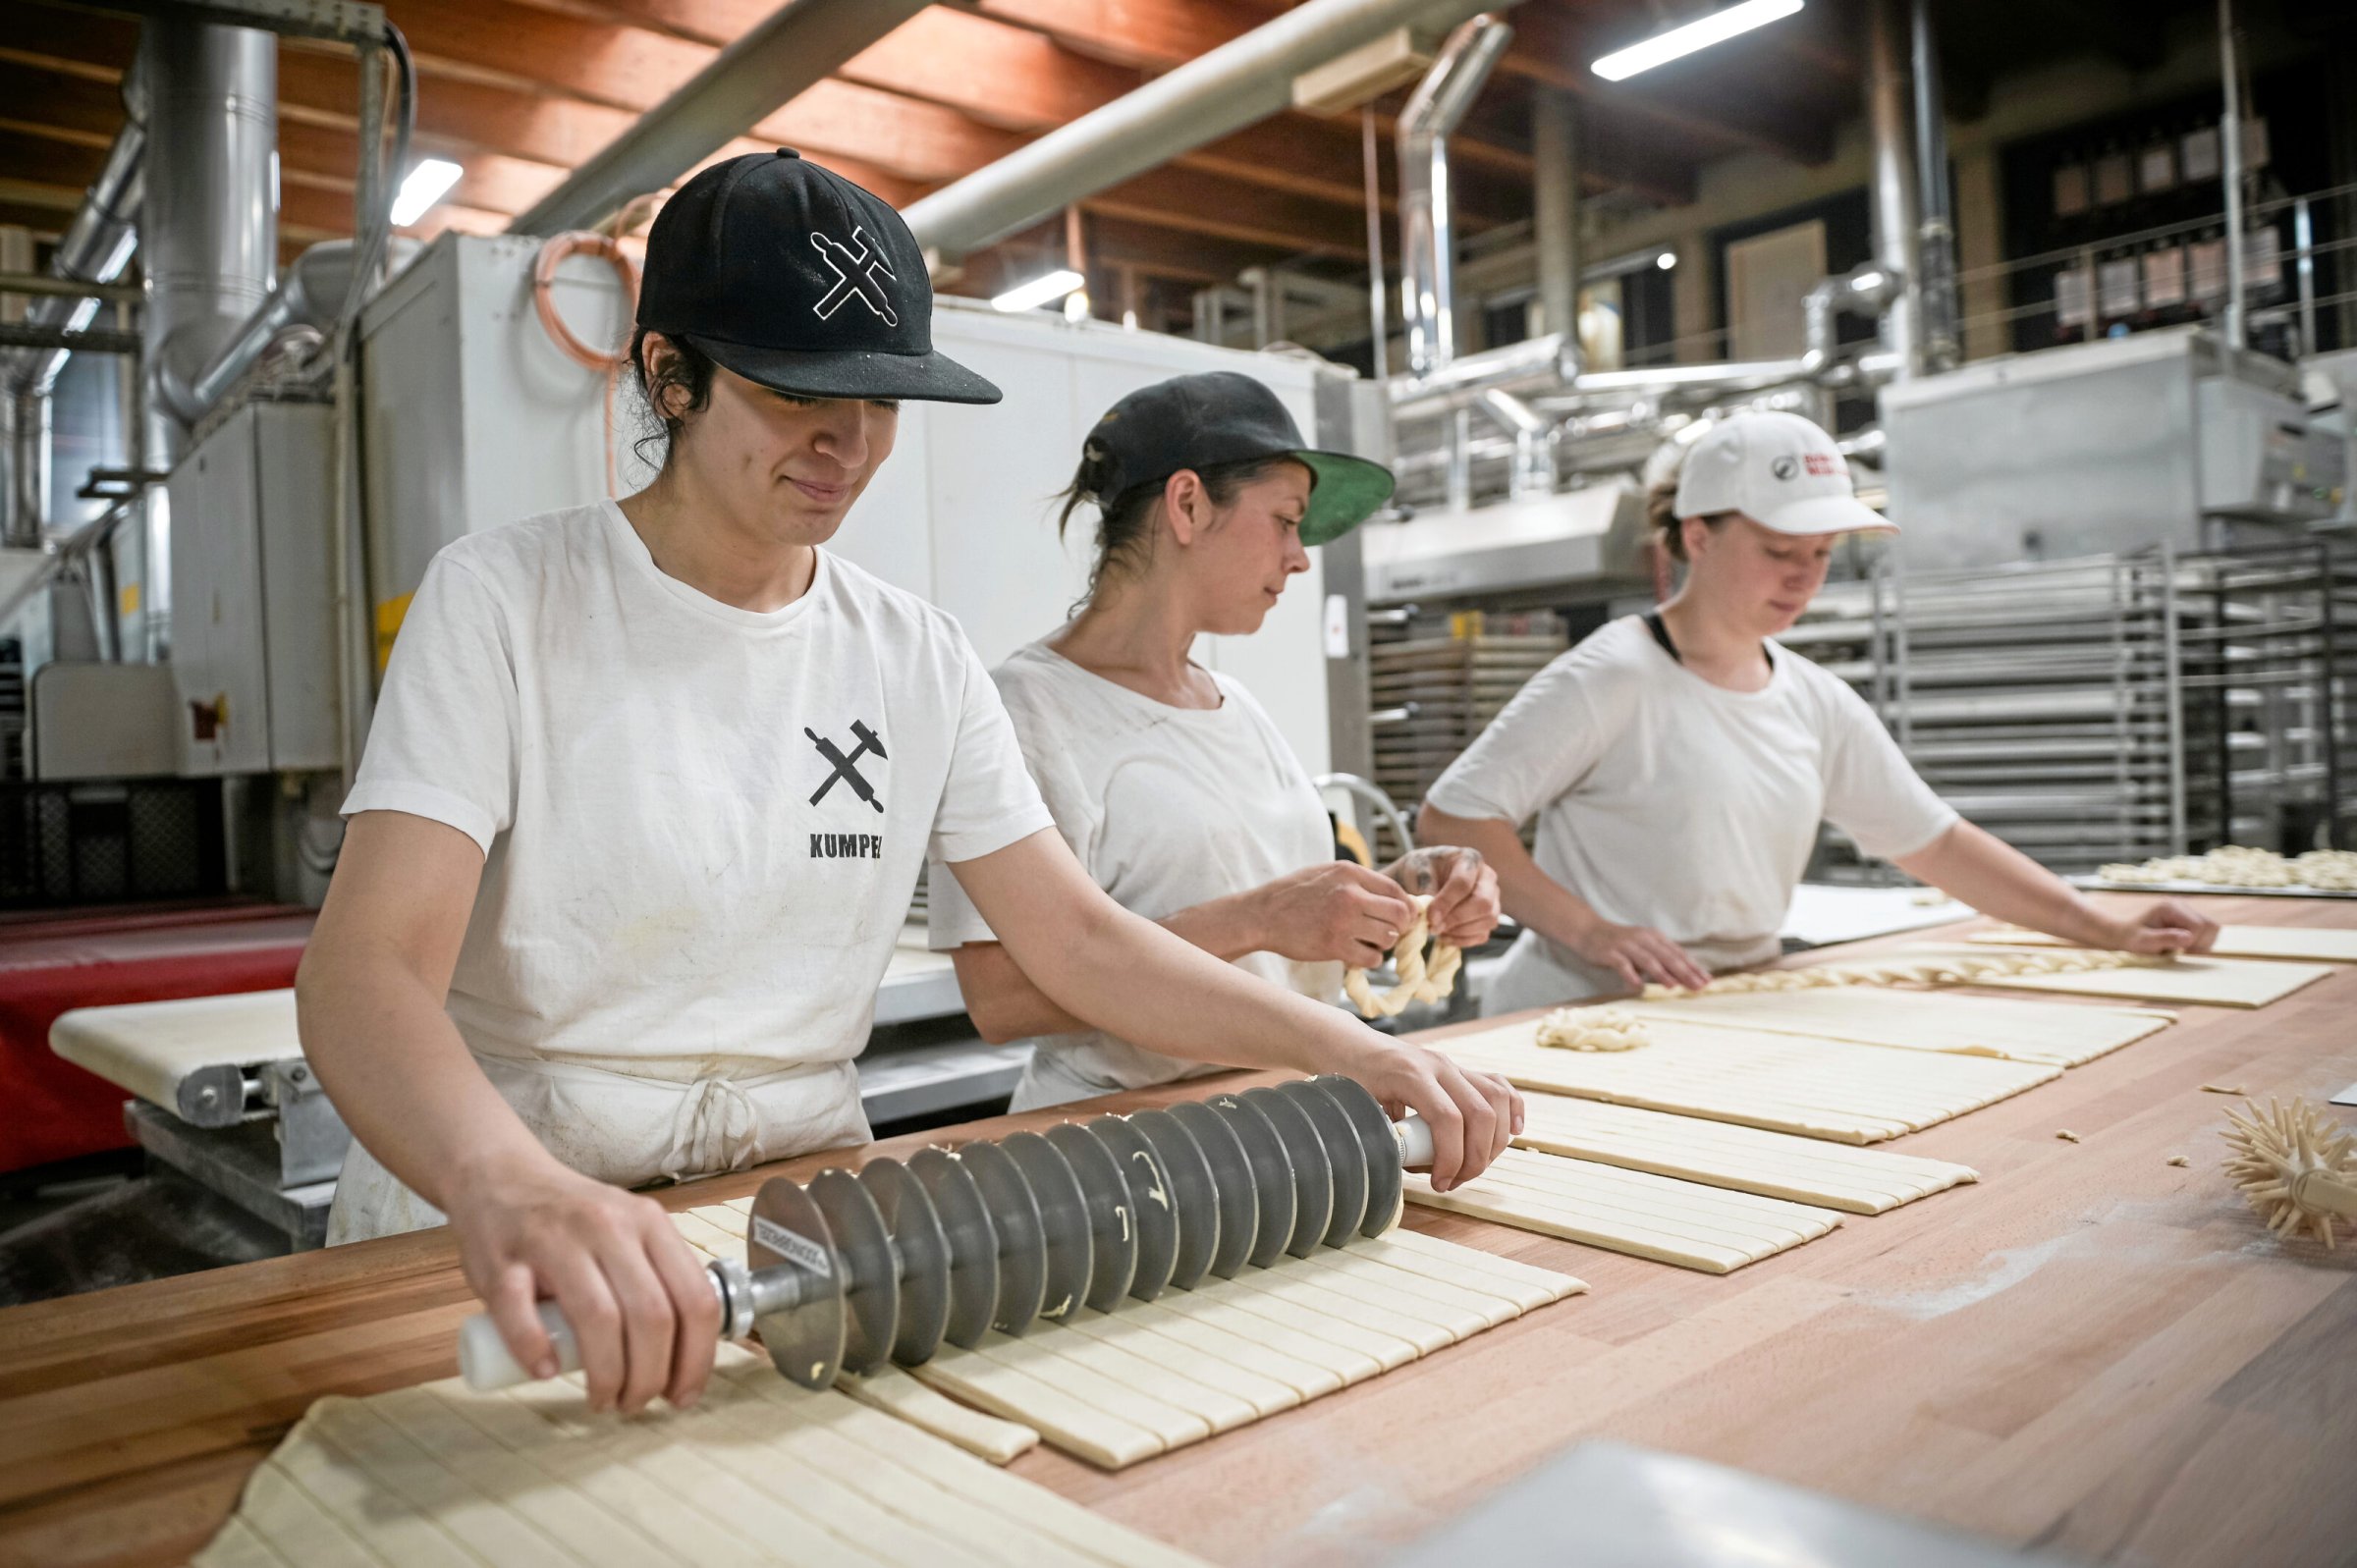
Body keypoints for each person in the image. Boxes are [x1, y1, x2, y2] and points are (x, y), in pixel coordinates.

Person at [298, 151, 1520, 1421]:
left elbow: (1078, 941)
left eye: (882, 399)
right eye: (798, 394)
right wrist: (508, 1182)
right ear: (670, 375)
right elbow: (363, 970)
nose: (849, 444)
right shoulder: (507, 600)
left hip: (802, 1226)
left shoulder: (913, 655)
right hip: (515, 1230)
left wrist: (1352, 1052)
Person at [1415, 409, 2219, 1014]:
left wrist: (2107, 926)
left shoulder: (1813, 698)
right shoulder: (1615, 675)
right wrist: (1594, 931)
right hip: (1578, 1011)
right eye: (1778, 551)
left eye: (1822, 554)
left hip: (1726, 1006)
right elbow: (1454, 816)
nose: (1803, 576)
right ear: (1698, 536)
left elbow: (1937, 843)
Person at [928, 371, 1503, 1109]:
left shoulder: (1237, 706)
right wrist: (1262, 918)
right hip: (1121, 1127)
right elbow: (1002, 998)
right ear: (1189, 504)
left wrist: (1401, 898)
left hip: (1283, 1105)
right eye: (1286, 520)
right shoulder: (1024, 709)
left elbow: (1278, 919)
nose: (1299, 556)